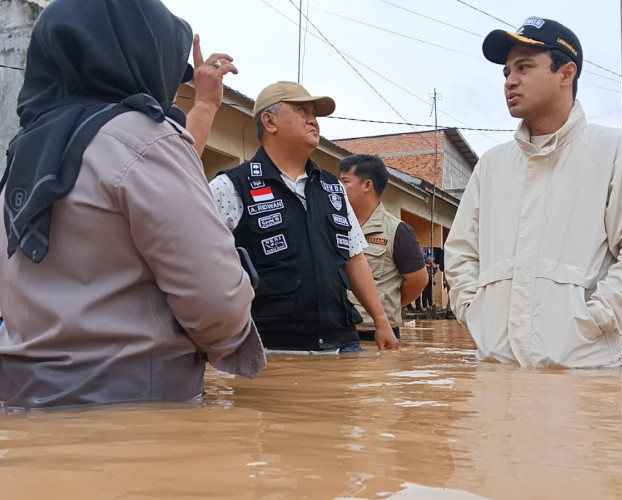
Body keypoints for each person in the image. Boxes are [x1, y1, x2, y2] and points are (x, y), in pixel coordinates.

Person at [0, 0, 265, 409]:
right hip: (140, 405)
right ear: (140, 53)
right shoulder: (145, 138)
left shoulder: (21, 155)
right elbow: (217, 305)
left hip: (22, 403)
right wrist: (230, 341)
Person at [444, 17, 622, 368]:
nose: (510, 80)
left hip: (584, 376)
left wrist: (595, 319)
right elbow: (461, 252)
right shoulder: (492, 166)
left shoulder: (616, 152)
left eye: (524, 67)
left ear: (566, 73)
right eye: (507, 72)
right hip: (495, 373)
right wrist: (473, 309)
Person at [210, 82, 400, 353]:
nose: (313, 120)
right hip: (270, 350)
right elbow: (198, 264)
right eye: (302, 110)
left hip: (342, 345)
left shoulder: (333, 188)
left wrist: (381, 321)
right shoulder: (230, 187)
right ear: (270, 121)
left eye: (314, 113)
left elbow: (355, 259)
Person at [338, 154, 427, 341]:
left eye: (345, 181)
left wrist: (386, 306)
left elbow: (418, 281)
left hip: (377, 335)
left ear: (367, 185)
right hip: (337, 331)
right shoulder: (334, 226)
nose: (338, 188)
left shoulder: (397, 230)